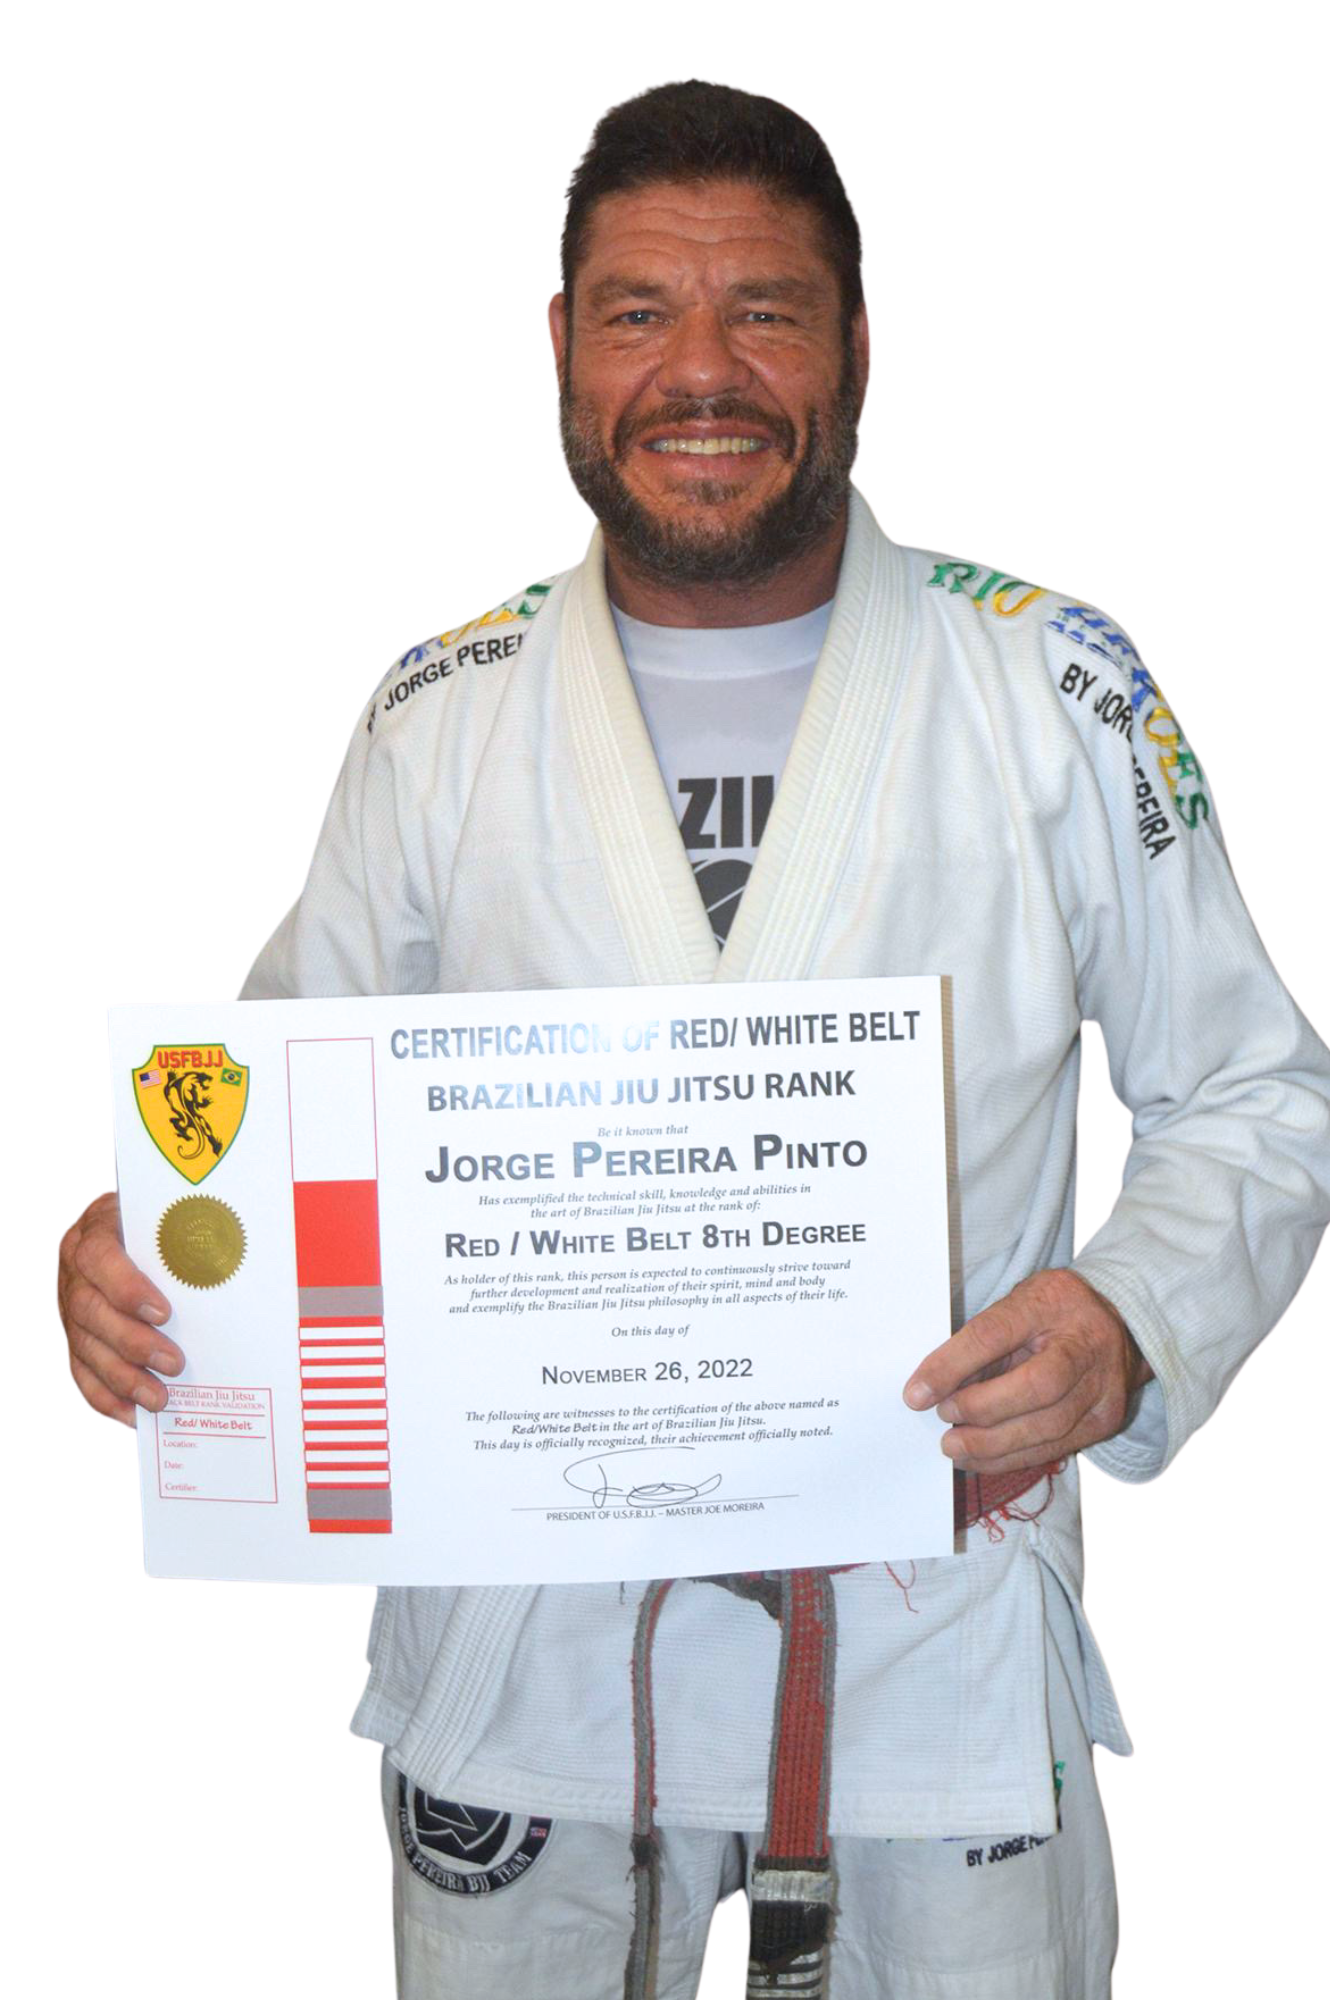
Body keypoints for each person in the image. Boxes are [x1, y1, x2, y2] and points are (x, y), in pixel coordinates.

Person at [56, 79, 1330, 2000]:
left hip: (930, 1608)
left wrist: (1127, 1318)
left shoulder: (1049, 687)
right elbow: (269, 1117)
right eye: (639, 310)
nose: (701, 369)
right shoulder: (440, 720)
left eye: (766, 308)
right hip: (533, 1627)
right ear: (561, 348)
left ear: (857, 342)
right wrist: (150, 1246)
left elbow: (1254, 1090)